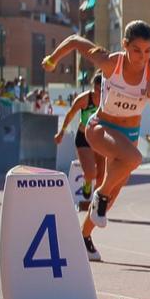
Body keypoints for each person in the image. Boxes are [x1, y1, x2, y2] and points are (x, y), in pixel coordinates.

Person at [43, 22, 150, 264]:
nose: (142, 57)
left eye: (147, 50)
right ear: (124, 45)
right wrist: (52, 59)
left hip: (128, 136)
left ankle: (83, 236)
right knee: (133, 161)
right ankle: (99, 195)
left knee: (111, 197)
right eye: (136, 50)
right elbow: (75, 41)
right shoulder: (112, 63)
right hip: (100, 128)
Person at [54, 74, 105, 212]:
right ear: (92, 87)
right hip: (84, 138)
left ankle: (96, 204)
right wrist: (61, 132)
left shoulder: (107, 100)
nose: (97, 95)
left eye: (100, 91)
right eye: (95, 90)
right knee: (91, 173)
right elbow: (70, 114)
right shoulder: (84, 99)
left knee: (101, 177)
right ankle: (87, 182)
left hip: (100, 139)